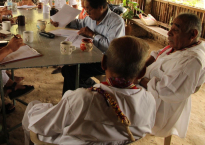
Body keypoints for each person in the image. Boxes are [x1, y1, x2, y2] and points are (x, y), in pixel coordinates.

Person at [22, 36, 156, 145]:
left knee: (32, 107)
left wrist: (37, 110)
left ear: (103, 63)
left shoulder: (84, 98)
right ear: (142, 72)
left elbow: (42, 125)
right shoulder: (149, 100)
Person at [139, 13, 205, 138]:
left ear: (193, 34)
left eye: (176, 30)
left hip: (162, 103)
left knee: (120, 101)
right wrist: (142, 67)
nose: (169, 33)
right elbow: (157, 53)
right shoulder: (183, 45)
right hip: (149, 86)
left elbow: (166, 90)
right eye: (171, 28)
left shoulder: (193, 60)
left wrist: (140, 79)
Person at [52, 0, 125, 95]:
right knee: (66, 69)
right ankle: (89, 87)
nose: (87, 13)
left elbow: (110, 47)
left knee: (71, 72)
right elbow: (79, 23)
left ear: (100, 7)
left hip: (106, 60)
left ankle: (68, 102)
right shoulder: (91, 18)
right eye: (86, 10)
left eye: (89, 10)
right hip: (89, 55)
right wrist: (62, 21)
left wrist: (93, 35)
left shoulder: (116, 22)